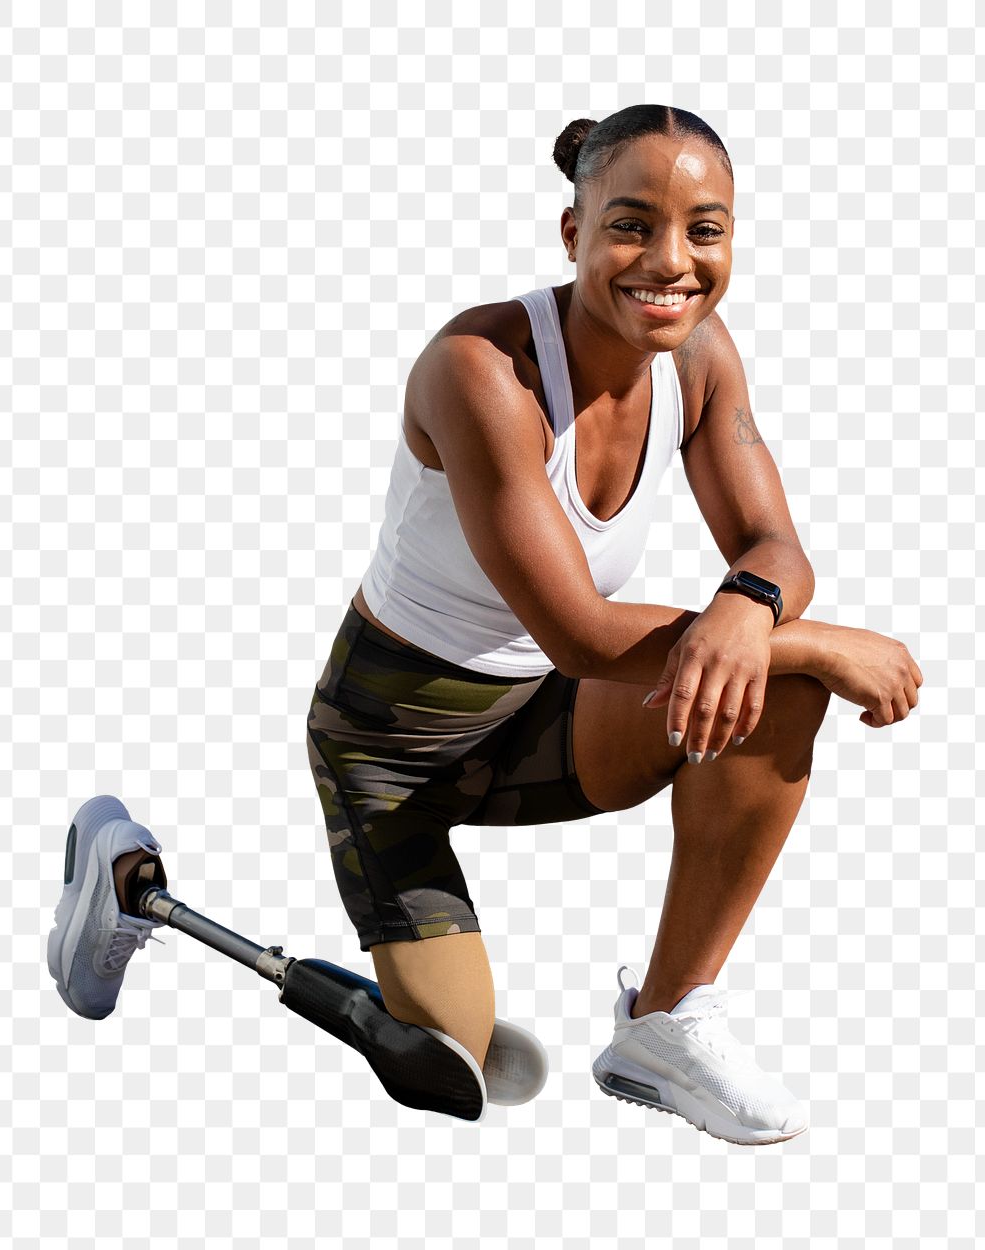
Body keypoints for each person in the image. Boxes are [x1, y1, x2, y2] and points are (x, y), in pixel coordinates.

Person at [304, 102, 923, 1144]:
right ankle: (144, 894)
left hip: (539, 724)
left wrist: (750, 606)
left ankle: (661, 1022)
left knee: (773, 688)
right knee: (452, 1069)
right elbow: (581, 635)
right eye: (631, 225)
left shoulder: (700, 352)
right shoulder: (481, 370)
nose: (670, 262)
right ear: (572, 233)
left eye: (705, 229)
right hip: (390, 749)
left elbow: (775, 545)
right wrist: (807, 637)